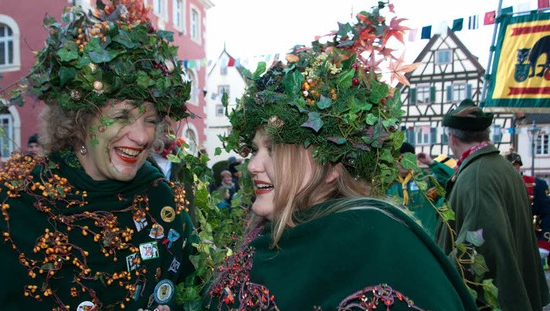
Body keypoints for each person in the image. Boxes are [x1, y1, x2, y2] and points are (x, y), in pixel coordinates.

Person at [206, 5, 477, 310]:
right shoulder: (266, 236)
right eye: (255, 150)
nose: (253, 165)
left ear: (332, 165)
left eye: (274, 149)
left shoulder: (378, 242)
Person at [0, 1, 195, 310]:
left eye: (151, 121)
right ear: (80, 119)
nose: (141, 136)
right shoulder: (9, 206)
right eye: (122, 116)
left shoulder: (159, 198)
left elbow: (191, 291)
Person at [437, 99, 550, 310]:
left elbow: (478, 237)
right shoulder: (502, 168)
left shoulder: (477, 175)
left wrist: (440, 271)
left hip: (492, 301)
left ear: (452, 138)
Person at [386, 142, 453, 238]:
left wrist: (432, 163)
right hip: (398, 240)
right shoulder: (387, 184)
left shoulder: (427, 180)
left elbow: (451, 180)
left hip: (426, 242)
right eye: (401, 159)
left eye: (409, 158)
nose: (405, 163)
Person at [505, 150, 550, 252]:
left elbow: (547, 214)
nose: (513, 168)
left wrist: (544, 242)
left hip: (530, 240)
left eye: (515, 165)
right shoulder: (496, 184)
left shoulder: (537, 184)